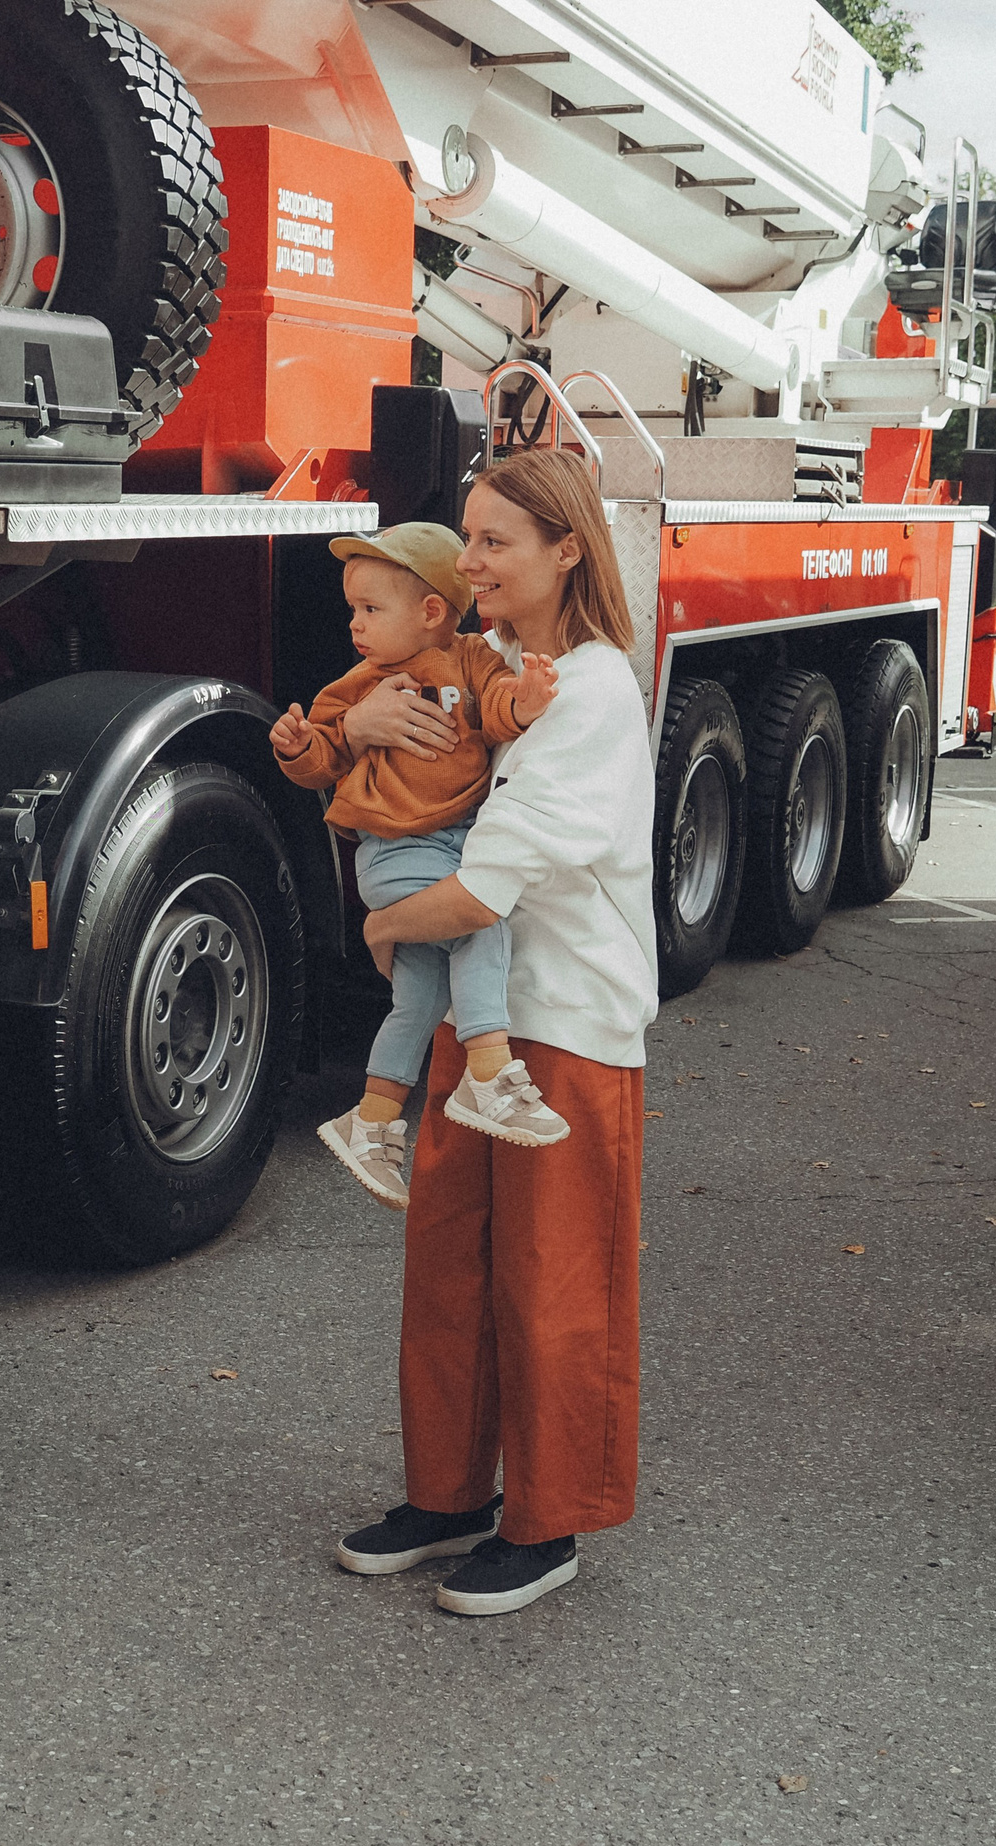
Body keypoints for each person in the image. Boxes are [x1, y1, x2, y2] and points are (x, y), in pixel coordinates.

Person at [330, 446, 659, 1618]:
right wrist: (363, 715)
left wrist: (386, 930)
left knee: (551, 1282)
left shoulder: (595, 692)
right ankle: (448, 1495)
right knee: (450, 1268)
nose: (467, 561)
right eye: (464, 538)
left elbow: (485, 889)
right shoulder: (492, 666)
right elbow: (381, 768)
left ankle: (551, 1519)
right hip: (482, 1024)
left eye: (494, 541)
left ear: (567, 549)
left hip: (563, 1023)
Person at [268, 523, 564, 1210]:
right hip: (393, 855)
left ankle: (369, 1120)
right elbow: (325, 755)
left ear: (432, 612)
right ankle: (490, 1072)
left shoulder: (471, 662)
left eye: (370, 610)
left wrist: (525, 700)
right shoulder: (358, 684)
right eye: (353, 611)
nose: (355, 626)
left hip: (456, 844)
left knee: (422, 997)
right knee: (479, 922)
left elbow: (496, 711)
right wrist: (297, 744)